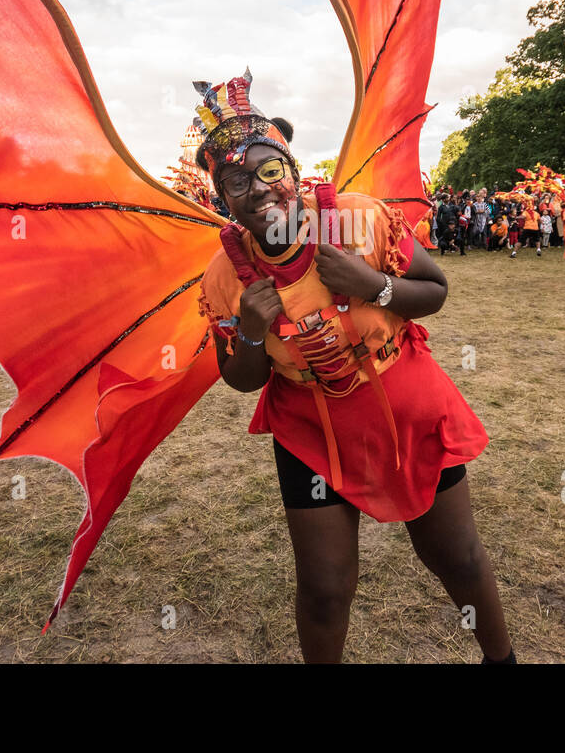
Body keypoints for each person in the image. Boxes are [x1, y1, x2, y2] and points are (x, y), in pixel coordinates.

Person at [193, 77, 513, 664]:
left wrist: (374, 286)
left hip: (406, 402)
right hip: (311, 428)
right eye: (236, 181)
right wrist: (252, 330)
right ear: (222, 198)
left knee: (457, 558)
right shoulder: (223, 275)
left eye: (269, 171)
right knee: (323, 588)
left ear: (290, 168)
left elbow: (435, 291)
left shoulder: (360, 221)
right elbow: (242, 380)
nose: (260, 192)